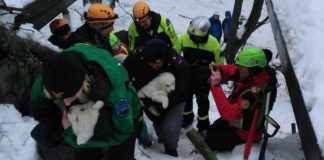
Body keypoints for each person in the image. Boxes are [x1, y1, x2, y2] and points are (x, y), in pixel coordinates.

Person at [29, 43, 142, 160]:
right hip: (86, 100)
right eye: (58, 97)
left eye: (71, 96)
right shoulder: (49, 77)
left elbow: (121, 134)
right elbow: (38, 106)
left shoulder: (116, 96)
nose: (67, 103)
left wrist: (70, 135)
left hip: (123, 117)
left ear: (84, 82)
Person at [123, 39, 191, 157]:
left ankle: (170, 150)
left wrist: (162, 102)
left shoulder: (178, 65)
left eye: (158, 63)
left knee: (171, 127)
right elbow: (124, 73)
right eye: (151, 63)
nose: (154, 66)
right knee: (158, 121)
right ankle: (161, 136)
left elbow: (183, 91)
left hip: (173, 99)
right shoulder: (137, 56)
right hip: (147, 97)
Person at [205, 47, 277, 152]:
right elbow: (232, 70)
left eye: (242, 67)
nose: (238, 68)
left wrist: (215, 86)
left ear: (253, 70)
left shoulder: (253, 94)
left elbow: (228, 113)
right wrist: (218, 68)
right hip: (236, 122)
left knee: (209, 142)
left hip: (245, 133)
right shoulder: (253, 74)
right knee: (211, 131)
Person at [173, 16, 223, 135]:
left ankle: (203, 125)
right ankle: (187, 119)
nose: (194, 38)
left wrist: (215, 75)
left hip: (204, 79)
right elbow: (174, 53)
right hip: (187, 76)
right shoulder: (185, 38)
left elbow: (220, 62)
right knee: (186, 100)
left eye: (198, 37)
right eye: (193, 35)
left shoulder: (213, 43)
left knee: (203, 102)